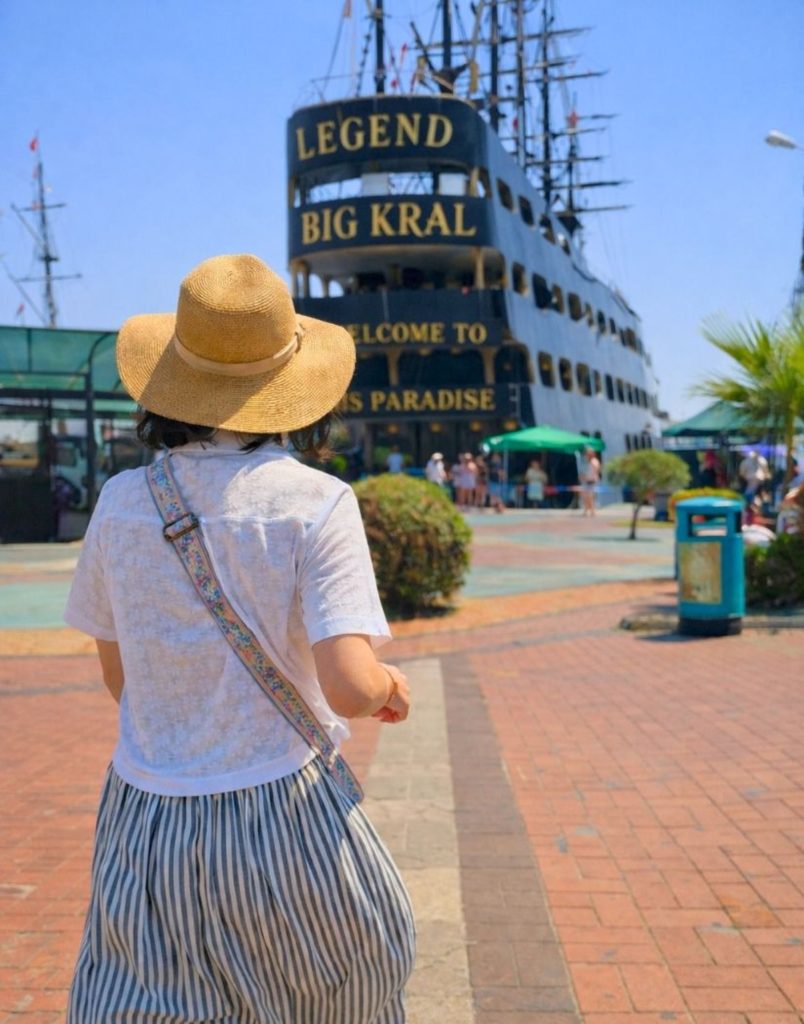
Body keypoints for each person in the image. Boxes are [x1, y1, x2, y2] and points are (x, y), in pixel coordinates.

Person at [63, 255, 415, 1022]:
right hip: (282, 814)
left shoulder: (122, 501)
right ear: (295, 387)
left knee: (148, 999)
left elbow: (122, 681)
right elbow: (351, 686)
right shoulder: (317, 502)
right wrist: (390, 688)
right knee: (336, 991)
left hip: (146, 816)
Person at [579, 446, 601, 516]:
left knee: (590, 497)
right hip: (587, 481)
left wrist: (592, 478)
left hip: (592, 481)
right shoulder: (589, 462)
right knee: (585, 497)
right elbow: (588, 472)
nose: (587, 455)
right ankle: (586, 511)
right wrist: (584, 477)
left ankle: (592, 512)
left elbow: (596, 471)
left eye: (588, 454)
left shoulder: (594, 461)